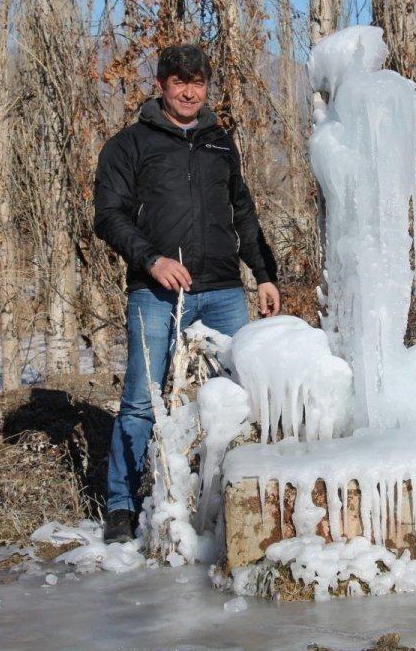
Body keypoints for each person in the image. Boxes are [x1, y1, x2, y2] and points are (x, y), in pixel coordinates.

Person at [93, 44, 280, 543]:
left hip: (222, 290)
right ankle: (120, 506)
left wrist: (263, 274)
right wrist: (151, 260)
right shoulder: (128, 145)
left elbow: (243, 212)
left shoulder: (221, 143)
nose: (190, 91)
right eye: (180, 82)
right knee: (141, 399)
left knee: (240, 396)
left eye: (198, 82)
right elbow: (107, 217)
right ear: (161, 86)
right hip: (156, 293)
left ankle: (228, 500)